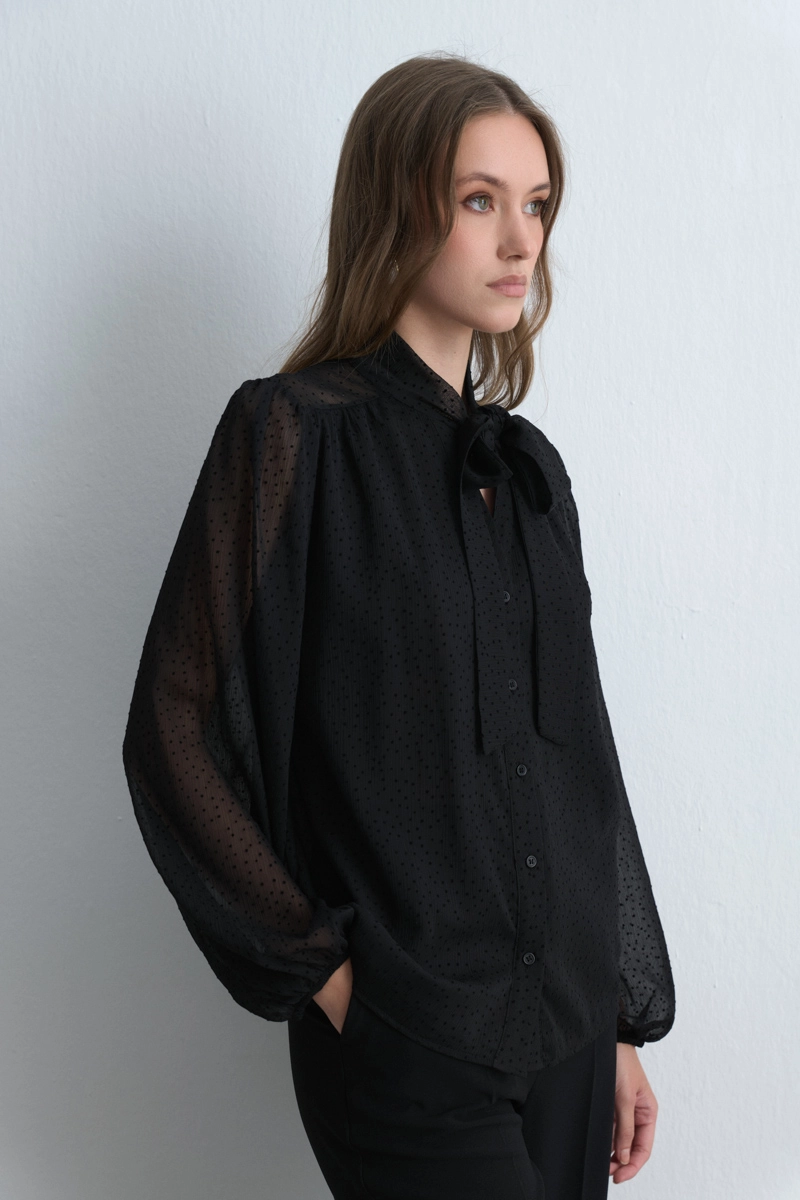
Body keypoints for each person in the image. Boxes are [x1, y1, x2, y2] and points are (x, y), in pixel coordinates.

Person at [122, 51, 675, 1200]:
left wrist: (617, 1020)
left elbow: (578, 759)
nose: (519, 241)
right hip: (408, 1037)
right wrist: (325, 976)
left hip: (567, 1029)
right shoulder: (291, 437)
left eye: (534, 204)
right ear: (395, 208)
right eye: (478, 201)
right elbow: (174, 730)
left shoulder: (529, 472)